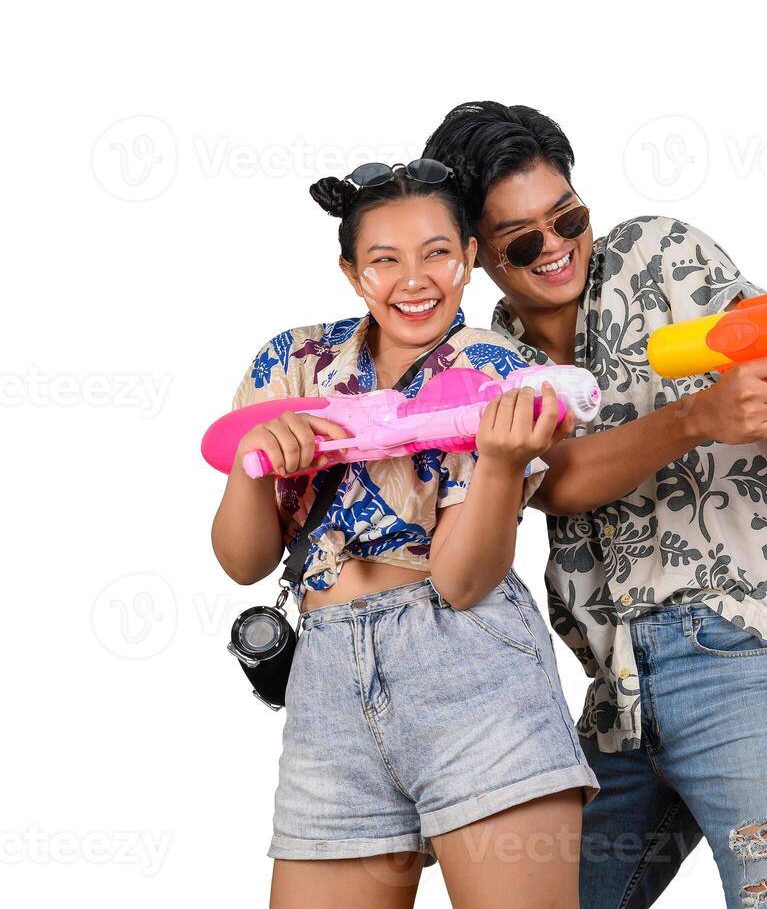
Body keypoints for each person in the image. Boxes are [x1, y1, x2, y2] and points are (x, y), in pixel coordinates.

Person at [424, 103, 767, 908]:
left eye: (567, 218)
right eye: (523, 240)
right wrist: (695, 417)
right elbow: (557, 479)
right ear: (477, 253)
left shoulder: (656, 252)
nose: (555, 248)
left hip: (749, 646)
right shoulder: (490, 357)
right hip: (612, 700)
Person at [210, 159, 596, 909]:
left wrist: (500, 463)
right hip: (326, 688)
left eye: (436, 254)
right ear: (352, 272)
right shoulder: (292, 363)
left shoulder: (495, 367)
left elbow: (461, 581)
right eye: (384, 260)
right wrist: (255, 464)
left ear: (468, 258)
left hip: (471, 669)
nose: (413, 280)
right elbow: (242, 562)